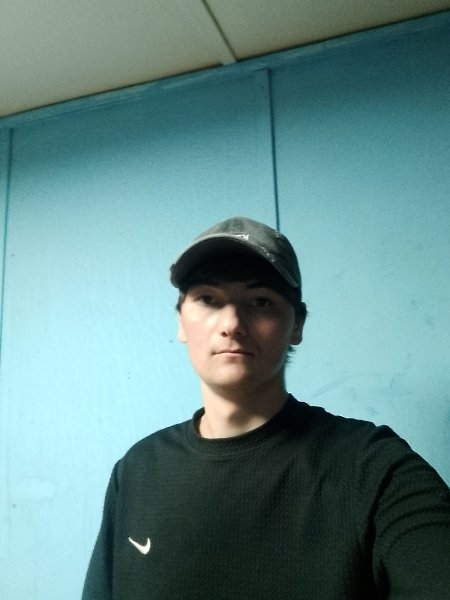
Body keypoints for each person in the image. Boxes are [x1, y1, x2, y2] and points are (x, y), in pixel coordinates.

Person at [82, 216, 450, 600]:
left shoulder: (374, 469)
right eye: (208, 298)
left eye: (260, 302)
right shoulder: (137, 470)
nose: (231, 324)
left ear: (297, 325)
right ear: (180, 322)